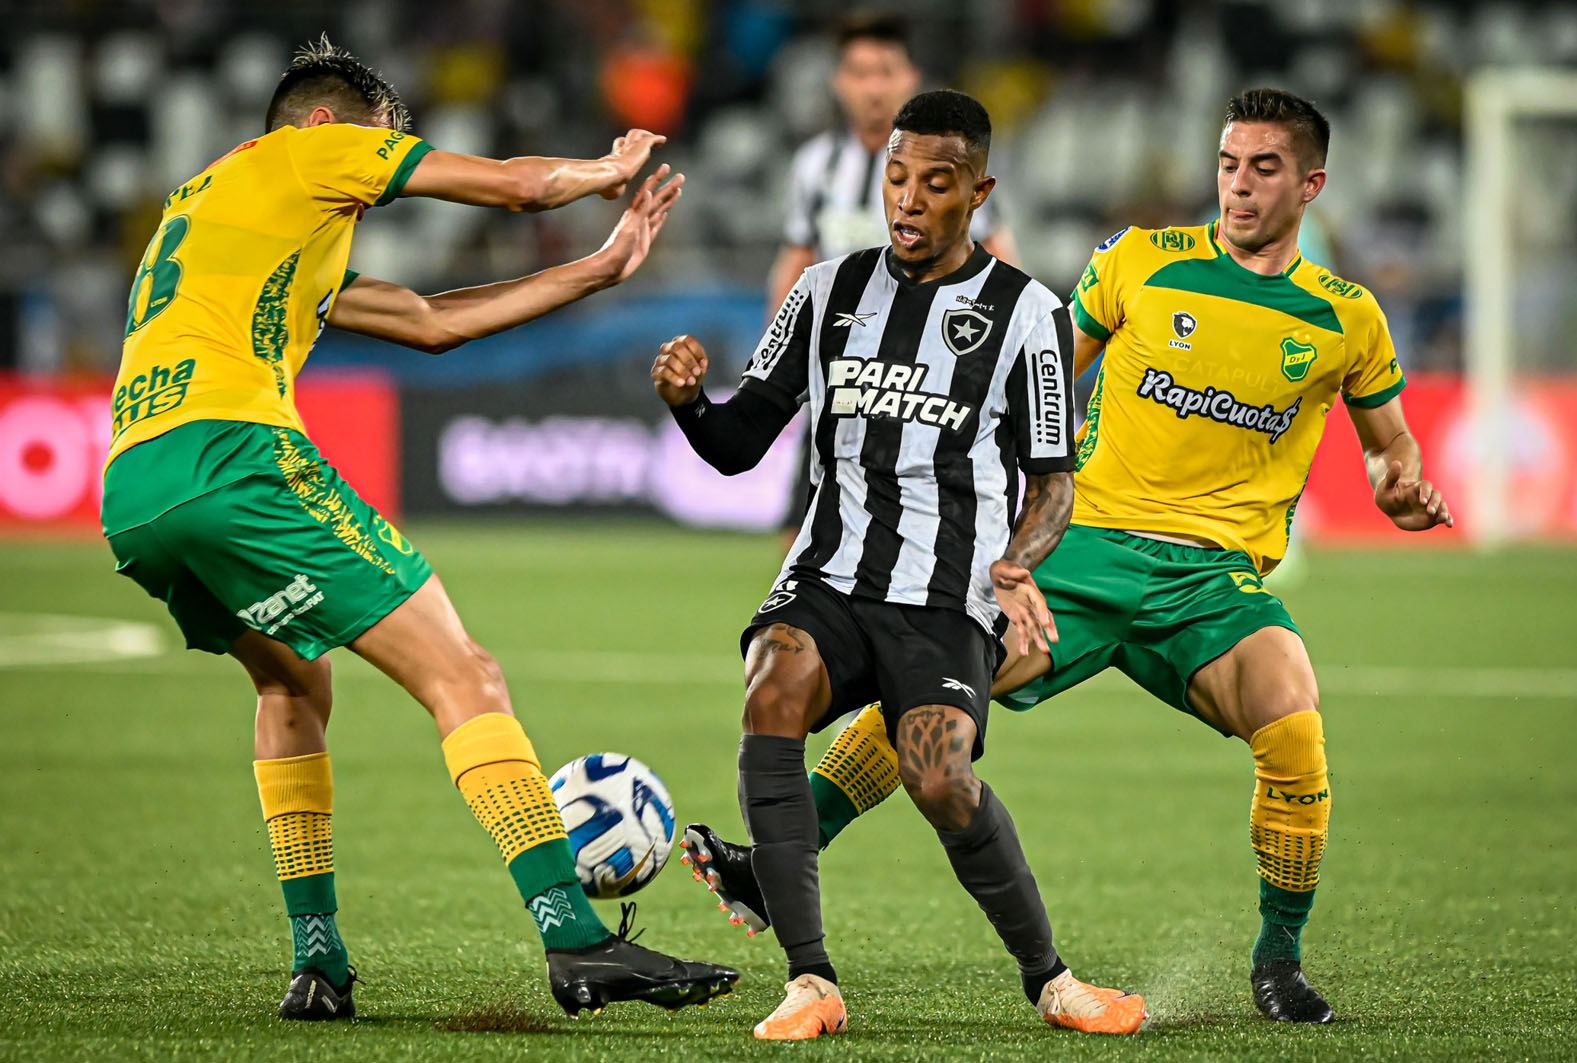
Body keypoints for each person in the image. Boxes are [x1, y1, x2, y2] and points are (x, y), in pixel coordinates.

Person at [679, 88, 1454, 1027]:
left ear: (1310, 184)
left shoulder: (1346, 317)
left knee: (1294, 727)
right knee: (927, 698)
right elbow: (1027, 379)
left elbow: (1387, 443)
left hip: (1212, 579)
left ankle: (1277, 959)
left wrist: (1396, 482)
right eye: (1227, 164)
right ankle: (769, 871)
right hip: (1078, 551)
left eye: (1263, 168)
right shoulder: (1141, 261)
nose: (1238, 186)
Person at [101, 36, 736, 1022]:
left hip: (135, 488)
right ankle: (575, 938)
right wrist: (601, 172)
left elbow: (429, 322)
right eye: (377, 153)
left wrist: (601, 268)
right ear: (327, 125)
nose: (369, 195)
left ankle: (318, 962)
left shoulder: (222, 213)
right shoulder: (307, 151)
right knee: (463, 673)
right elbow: (516, 187)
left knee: (290, 682)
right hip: (234, 455)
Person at [651, 89, 1144, 1040]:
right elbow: (739, 444)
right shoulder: (822, 291)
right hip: (830, 575)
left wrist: (1017, 564)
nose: (909, 200)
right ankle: (810, 980)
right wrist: (689, 404)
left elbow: (1052, 482)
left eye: (936, 183)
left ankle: (1051, 980)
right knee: (771, 683)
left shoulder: (1028, 314)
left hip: (947, 593)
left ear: (978, 193)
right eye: (896, 177)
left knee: (936, 775)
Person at [770, 13, 1019, 542]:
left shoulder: (950, 165)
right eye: (859, 73)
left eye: (885, 72)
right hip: (841, 374)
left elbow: (999, 257)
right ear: (839, 82)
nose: (873, 89)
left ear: (910, 78)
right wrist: (783, 358)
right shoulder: (816, 166)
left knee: (926, 525)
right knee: (803, 529)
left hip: (928, 375)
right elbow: (796, 260)